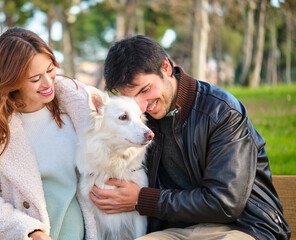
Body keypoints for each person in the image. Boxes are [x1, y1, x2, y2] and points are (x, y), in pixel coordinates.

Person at [89, 35, 291, 240]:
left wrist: (142, 199)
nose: (141, 107)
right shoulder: (140, 123)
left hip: (244, 227)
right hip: (178, 230)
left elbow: (224, 203)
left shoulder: (222, 112)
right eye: (132, 98)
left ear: (166, 67)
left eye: (146, 90)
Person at [0, 27, 96, 240]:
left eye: (50, 69)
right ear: (11, 81)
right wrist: (30, 232)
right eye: (35, 78)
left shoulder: (77, 104)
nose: (49, 83)